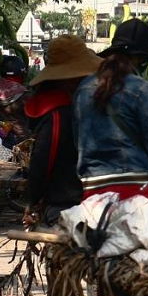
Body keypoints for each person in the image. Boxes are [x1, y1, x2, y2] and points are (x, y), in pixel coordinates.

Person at [73, 19, 148, 202]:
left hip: (93, 187)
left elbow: (78, 142)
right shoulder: (143, 89)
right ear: (140, 58)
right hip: (138, 189)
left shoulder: (83, 88)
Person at [24, 36, 101, 227]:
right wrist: (34, 201)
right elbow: (42, 162)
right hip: (68, 202)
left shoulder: (70, 107)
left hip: (85, 200)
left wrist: (34, 200)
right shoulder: (59, 114)